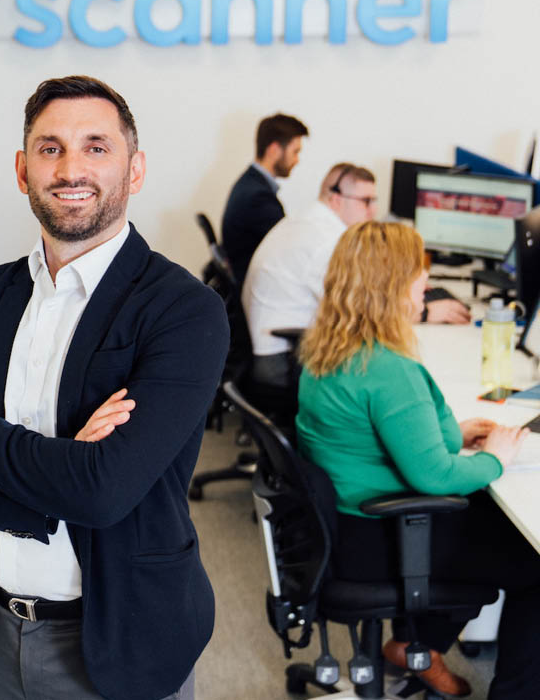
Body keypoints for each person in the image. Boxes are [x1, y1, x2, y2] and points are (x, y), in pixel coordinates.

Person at [0, 76, 229, 700]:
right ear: (23, 170)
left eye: (96, 147)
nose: (71, 167)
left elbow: (104, 492)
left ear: (134, 171)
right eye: (50, 148)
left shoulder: (184, 310)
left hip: (119, 638)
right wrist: (56, 484)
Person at [296, 222, 540, 699]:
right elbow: (434, 474)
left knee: (496, 523)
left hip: (348, 527)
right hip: (386, 537)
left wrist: (454, 431)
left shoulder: (327, 348)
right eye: (418, 274)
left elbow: (386, 432)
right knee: (534, 562)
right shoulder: (389, 370)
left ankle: (415, 644)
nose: (426, 283)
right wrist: (495, 458)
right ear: (391, 286)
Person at [242, 163, 471, 389]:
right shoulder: (326, 242)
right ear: (336, 199)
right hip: (282, 360)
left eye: (374, 200)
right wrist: (427, 311)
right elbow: (363, 312)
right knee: (391, 374)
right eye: (365, 201)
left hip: (281, 345)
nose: (373, 211)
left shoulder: (308, 219)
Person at [219, 113, 308, 289]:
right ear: (274, 149)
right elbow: (289, 249)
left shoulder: (249, 184)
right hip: (256, 289)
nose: (297, 160)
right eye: (295, 152)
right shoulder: (258, 197)